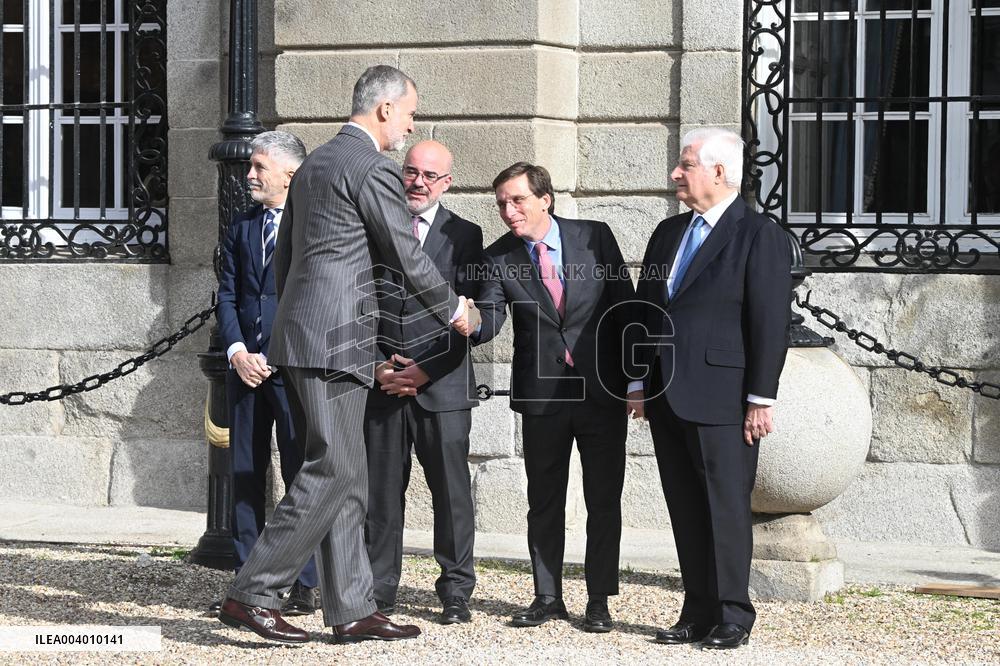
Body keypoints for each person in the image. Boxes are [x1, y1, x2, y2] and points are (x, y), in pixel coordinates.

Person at [217, 65, 479, 645]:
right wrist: (455, 310)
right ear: (384, 109)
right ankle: (253, 591)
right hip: (336, 340)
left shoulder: (317, 163)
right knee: (332, 467)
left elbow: (286, 256)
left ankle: (353, 606)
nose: (410, 124)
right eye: (409, 112)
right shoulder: (370, 166)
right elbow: (407, 255)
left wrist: (294, 321)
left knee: (347, 474)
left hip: (312, 334)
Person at [635, 127, 791, 650]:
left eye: (686, 165)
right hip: (666, 394)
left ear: (719, 172)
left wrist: (760, 398)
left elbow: (770, 321)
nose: (676, 174)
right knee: (685, 506)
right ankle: (697, 611)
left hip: (725, 399)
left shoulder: (757, 234)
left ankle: (732, 615)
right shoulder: (666, 232)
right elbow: (646, 311)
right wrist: (638, 381)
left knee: (724, 507)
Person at [474, 162, 643, 633]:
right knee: (543, 500)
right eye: (502, 204)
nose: (509, 212)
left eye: (518, 201)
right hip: (543, 397)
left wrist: (635, 380)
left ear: (545, 199)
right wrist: (469, 324)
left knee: (603, 498)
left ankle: (598, 600)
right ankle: (547, 596)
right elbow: (489, 319)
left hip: (601, 392)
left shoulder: (595, 237)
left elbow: (624, 306)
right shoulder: (497, 258)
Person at [365, 140, 484, 625]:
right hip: (384, 382)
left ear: (447, 183)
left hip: (444, 384)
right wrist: (376, 366)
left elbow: (474, 314)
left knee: (451, 493)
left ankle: (456, 591)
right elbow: (357, 303)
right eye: (410, 171)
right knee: (380, 493)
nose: (417, 182)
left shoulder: (468, 236)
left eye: (429, 176)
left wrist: (426, 370)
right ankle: (377, 590)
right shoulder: (375, 224)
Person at [213, 130, 318, 618]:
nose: (249, 175)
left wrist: (281, 351)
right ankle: (247, 582)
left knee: (301, 474)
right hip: (245, 371)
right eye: (251, 167)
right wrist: (236, 351)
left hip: (292, 371)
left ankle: (304, 581)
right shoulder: (241, 226)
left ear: (289, 175)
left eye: (258, 168)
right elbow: (228, 295)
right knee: (246, 473)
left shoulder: (313, 227)